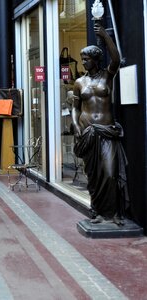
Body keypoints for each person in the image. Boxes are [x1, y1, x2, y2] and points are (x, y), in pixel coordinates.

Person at [71, 23, 129, 225]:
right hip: (87, 132)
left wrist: (105, 36)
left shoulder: (107, 75)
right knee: (93, 175)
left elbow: (115, 59)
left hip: (106, 130)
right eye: (83, 59)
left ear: (95, 60)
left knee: (110, 172)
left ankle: (113, 213)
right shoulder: (79, 82)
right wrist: (76, 125)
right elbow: (75, 108)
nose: (83, 62)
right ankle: (96, 211)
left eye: (86, 59)